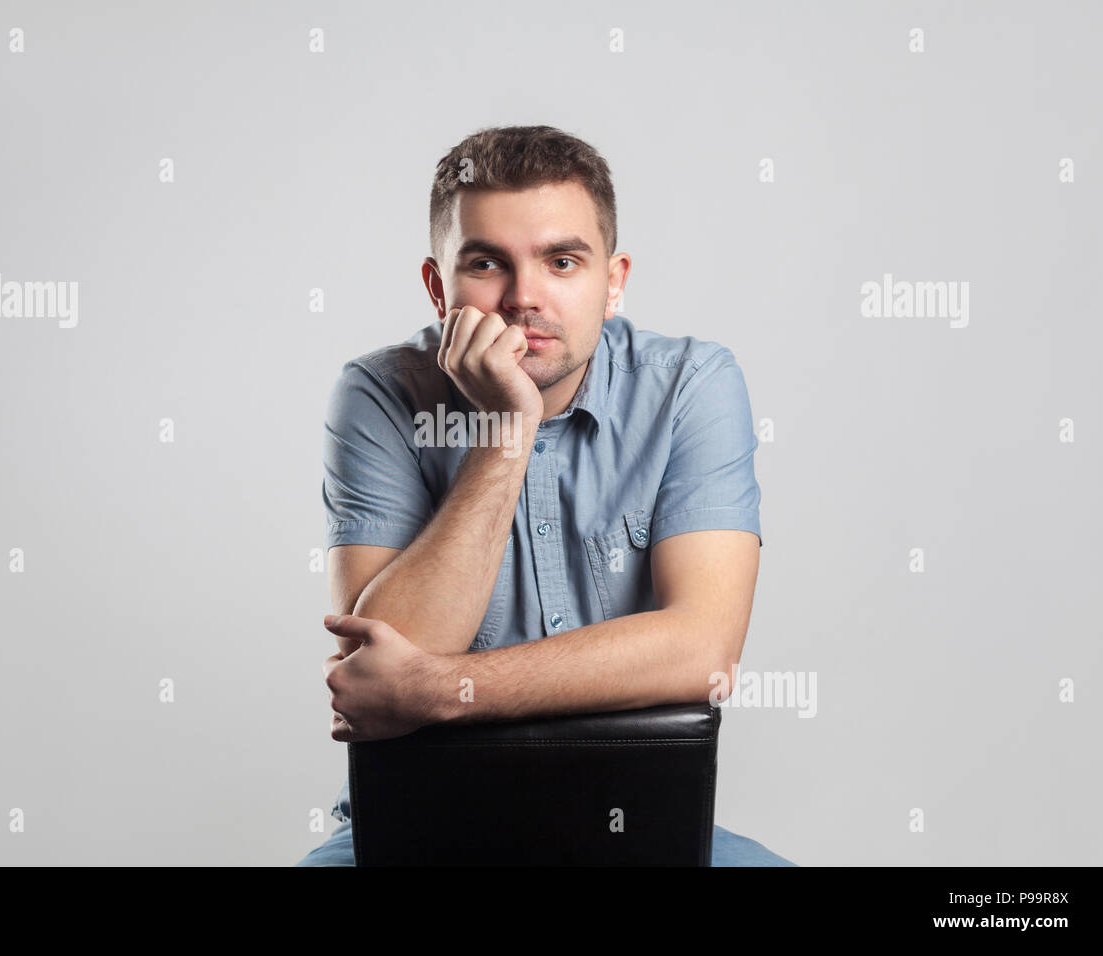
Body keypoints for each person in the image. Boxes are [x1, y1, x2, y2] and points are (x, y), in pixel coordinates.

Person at [298, 125, 794, 867]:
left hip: (641, 819)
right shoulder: (379, 394)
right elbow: (376, 669)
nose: (524, 297)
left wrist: (440, 689)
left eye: (562, 261)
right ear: (439, 289)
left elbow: (701, 649)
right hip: (421, 823)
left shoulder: (692, 384)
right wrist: (507, 434)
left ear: (613, 280)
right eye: (487, 263)